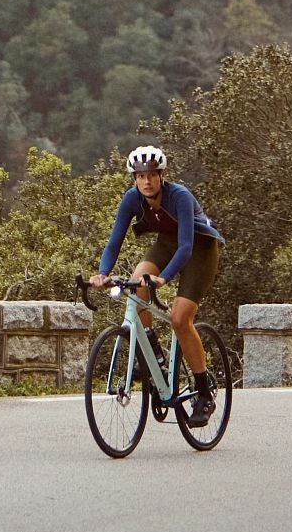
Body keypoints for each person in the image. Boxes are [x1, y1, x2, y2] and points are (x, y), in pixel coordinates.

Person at [89, 144, 225, 426]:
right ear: (134, 179)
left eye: (152, 174)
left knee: (179, 318)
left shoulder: (180, 197)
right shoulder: (132, 199)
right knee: (138, 281)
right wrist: (102, 274)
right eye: (140, 176)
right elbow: (114, 241)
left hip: (199, 249)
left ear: (162, 175)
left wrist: (164, 278)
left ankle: (204, 393)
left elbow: (186, 247)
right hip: (166, 245)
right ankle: (155, 358)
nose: (146, 181)